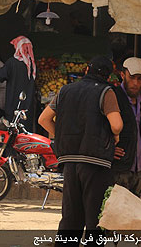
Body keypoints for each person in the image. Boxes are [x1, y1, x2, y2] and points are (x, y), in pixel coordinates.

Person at [38, 56, 123, 245]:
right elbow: (116, 125)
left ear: (86, 70)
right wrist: (114, 137)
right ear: (108, 76)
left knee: (71, 217)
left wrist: (59, 135)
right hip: (96, 163)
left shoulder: (66, 90)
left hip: (69, 162)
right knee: (95, 220)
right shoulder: (106, 92)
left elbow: (43, 120)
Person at [112, 57, 141, 198]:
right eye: (132, 77)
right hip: (119, 169)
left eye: (140, 79)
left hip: (138, 168)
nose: (135, 83)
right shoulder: (114, 97)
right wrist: (108, 148)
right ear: (123, 75)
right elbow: (99, 127)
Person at [0, 36, 36, 129]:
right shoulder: (32, 64)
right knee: (26, 128)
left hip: (13, 103)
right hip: (28, 104)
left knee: (12, 128)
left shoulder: (12, 62)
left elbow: (0, 76)